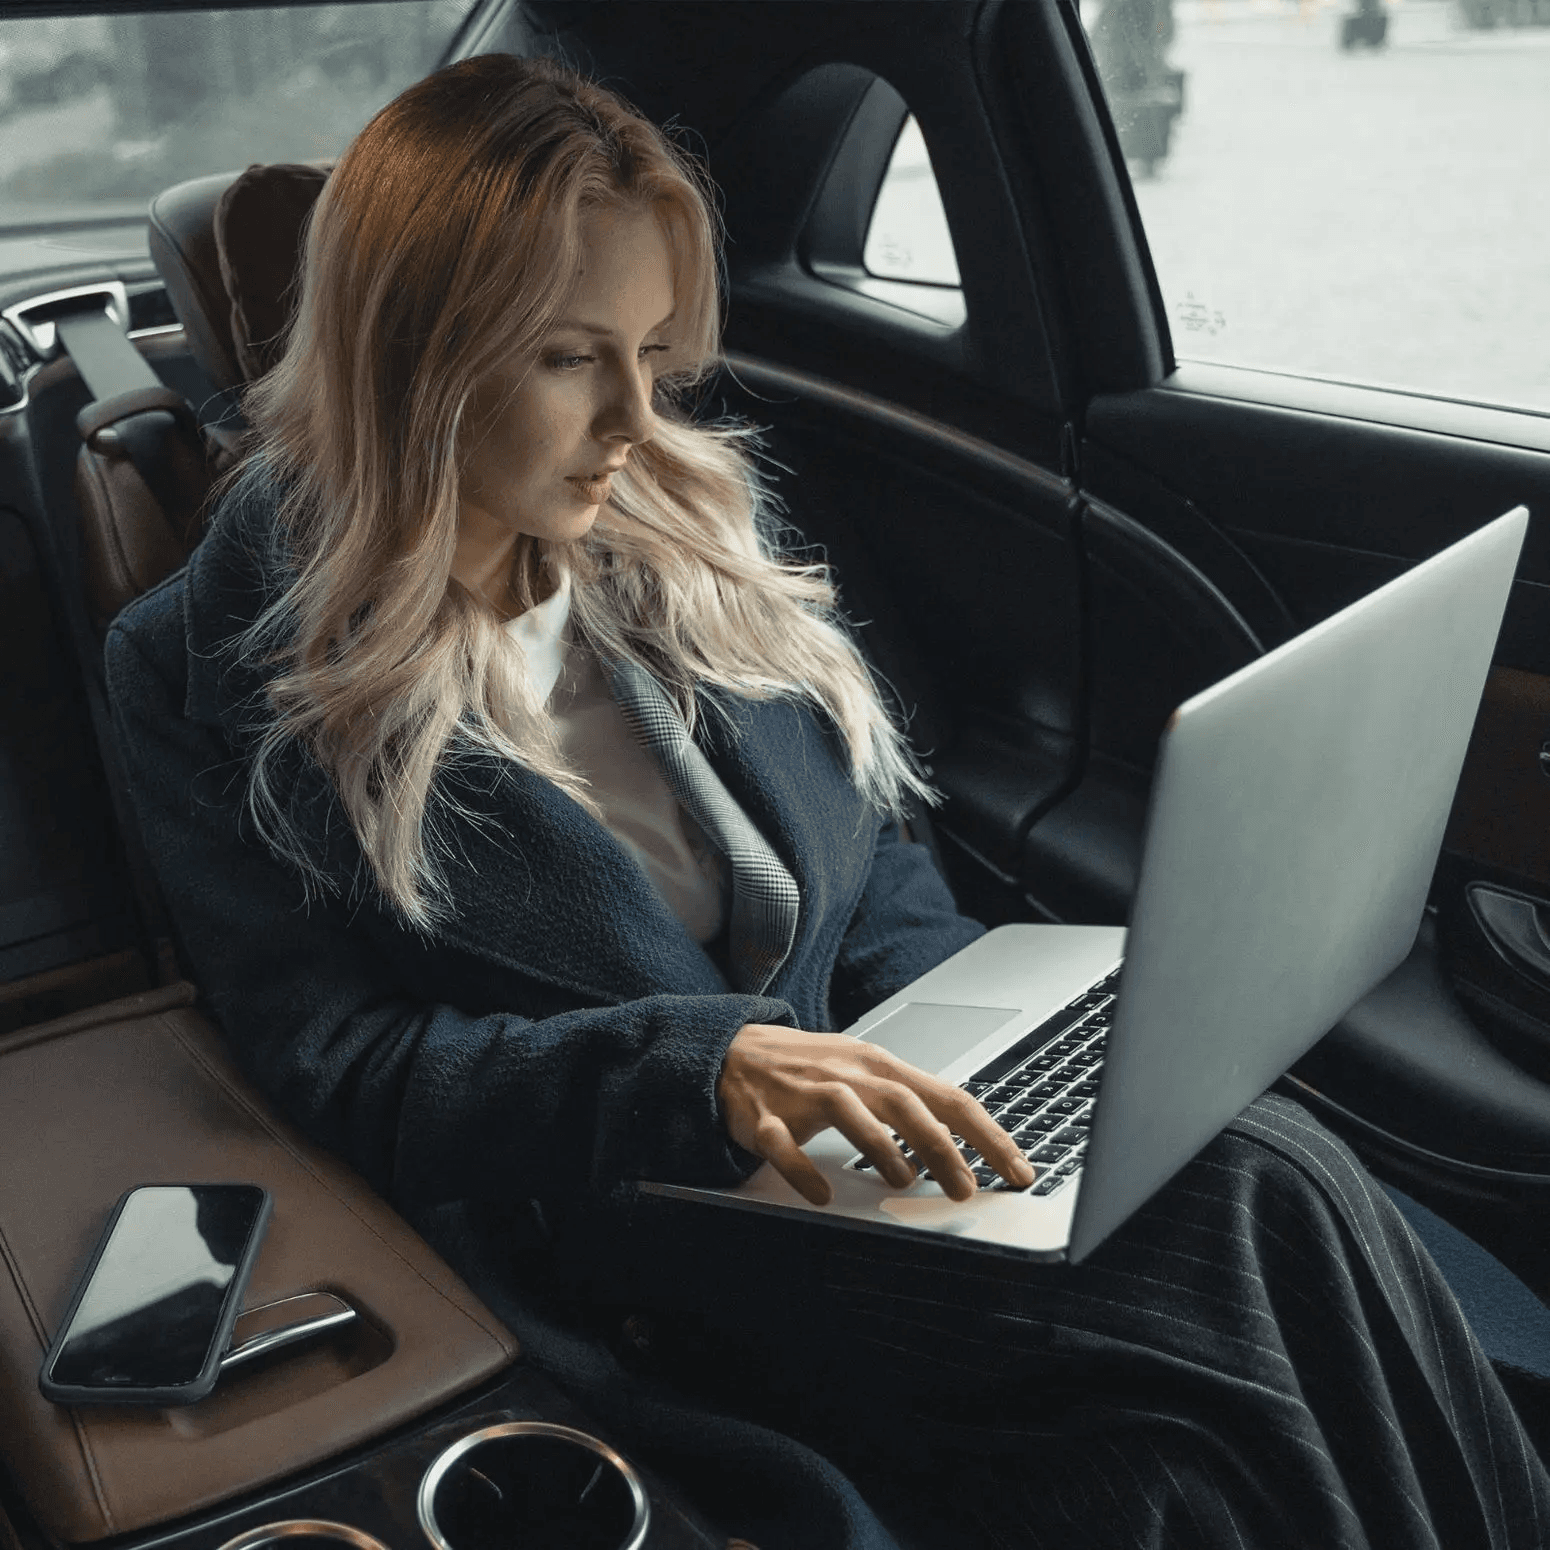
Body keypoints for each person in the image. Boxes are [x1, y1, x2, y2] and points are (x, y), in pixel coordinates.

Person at [105, 52, 1550, 1550]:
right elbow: (341, 1065)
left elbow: (880, 868)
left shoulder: (686, 526)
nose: (635, 415)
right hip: (645, 1208)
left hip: (862, 1156)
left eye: (650, 349)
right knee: (1260, 1203)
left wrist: (1001, 1040)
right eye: (570, 358)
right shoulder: (203, 669)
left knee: (1243, 1274)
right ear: (415, 354)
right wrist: (699, 1071)